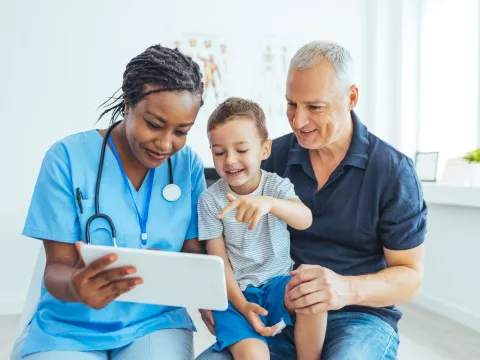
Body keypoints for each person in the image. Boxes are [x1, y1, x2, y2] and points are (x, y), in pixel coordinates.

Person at [197, 41, 427, 360]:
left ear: (352, 98)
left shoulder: (392, 171)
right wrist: (213, 295)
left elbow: (411, 277)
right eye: (292, 104)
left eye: (315, 107)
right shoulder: (270, 157)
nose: (299, 120)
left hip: (359, 318)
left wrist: (344, 289)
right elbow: (220, 238)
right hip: (276, 310)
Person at [12, 44, 206, 360]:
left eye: (182, 131)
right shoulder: (66, 158)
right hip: (70, 326)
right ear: (128, 104)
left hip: (155, 321)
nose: (166, 143)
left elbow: (196, 255)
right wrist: (76, 286)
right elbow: (57, 267)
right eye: (155, 124)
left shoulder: (188, 166)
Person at [198, 98, 327, 360]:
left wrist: (270, 204)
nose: (230, 160)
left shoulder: (276, 187)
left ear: (264, 150)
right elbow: (218, 263)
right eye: (219, 152)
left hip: (278, 284)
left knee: (313, 294)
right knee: (254, 355)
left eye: (242, 150)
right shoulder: (209, 200)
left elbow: (305, 219)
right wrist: (243, 304)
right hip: (236, 296)